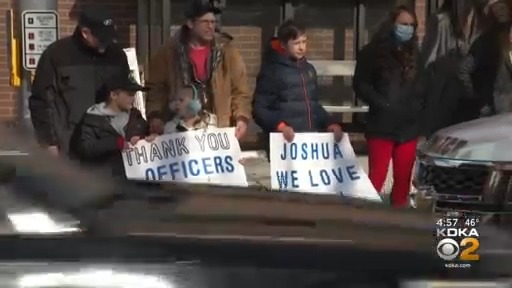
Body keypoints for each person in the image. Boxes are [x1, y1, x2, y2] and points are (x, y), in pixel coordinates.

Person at [29, 7, 130, 156]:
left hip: (109, 147)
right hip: (69, 148)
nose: (106, 43)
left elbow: (128, 97)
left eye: (108, 38)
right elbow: (41, 101)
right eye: (101, 39)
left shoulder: (117, 56)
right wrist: (49, 141)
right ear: (85, 33)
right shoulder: (57, 55)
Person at [145, 0, 251, 140]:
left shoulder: (228, 52)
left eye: (213, 22)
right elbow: (156, 89)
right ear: (190, 23)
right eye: (205, 22)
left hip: (218, 129)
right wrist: (155, 115)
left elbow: (240, 91)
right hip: (179, 130)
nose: (211, 26)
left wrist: (241, 118)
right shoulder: (168, 53)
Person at [353, 6, 424, 208]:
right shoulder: (372, 52)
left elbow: (423, 86)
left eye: (411, 25)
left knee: (403, 182)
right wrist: (381, 103)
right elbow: (361, 84)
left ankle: (397, 227)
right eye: (403, 24)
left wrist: (417, 109)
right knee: (377, 177)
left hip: (408, 126)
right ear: (391, 24)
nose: (408, 29)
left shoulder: (416, 54)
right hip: (382, 124)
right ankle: (363, 220)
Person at [252, 19, 343, 147]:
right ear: (283, 45)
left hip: (310, 140)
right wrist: (280, 126)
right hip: (285, 143)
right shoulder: (272, 70)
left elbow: (314, 105)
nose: (302, 47)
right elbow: (260, 109)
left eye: (304, 42)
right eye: (296, 43)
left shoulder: (309, 70)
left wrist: (330, 123)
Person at [69, 73, 150, 179]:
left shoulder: (135, 117)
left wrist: (147, 139)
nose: (133, 98)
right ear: (114, 95)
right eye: (129, 94)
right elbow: (85, 147)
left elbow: (145, 134)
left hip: (132, 182)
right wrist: (115, 143)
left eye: (134, 94)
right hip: (104, 182)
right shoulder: (92, 119)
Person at [458, 0, 512, 116]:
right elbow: (463, 70)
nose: (501, 12)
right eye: (498, 9)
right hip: (494, 109)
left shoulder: (506, 40)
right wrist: (479, 100)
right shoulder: (486, 42)